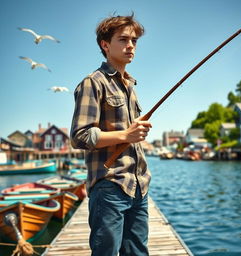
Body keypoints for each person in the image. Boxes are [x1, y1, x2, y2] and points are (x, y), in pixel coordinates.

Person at [70, 13, 152, 256]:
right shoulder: (93, 82)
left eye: (134, 41)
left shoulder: (130, 85)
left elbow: (125, 134)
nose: (130, 46)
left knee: (138, 252)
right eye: (123, 40)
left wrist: (136, 131)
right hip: (110, 186)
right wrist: (126, 135)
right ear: (105, 45)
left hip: (139, 185)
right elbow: (80, 136)